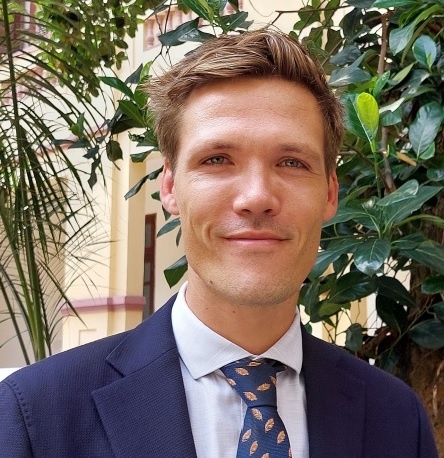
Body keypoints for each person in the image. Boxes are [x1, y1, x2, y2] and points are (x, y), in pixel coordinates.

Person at [0, 29, 438, 458]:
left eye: (291, 162)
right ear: (170, 186)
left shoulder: (396, 418)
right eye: (217, 159)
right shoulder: (36, 416)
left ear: (329, 194)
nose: (256, 197)